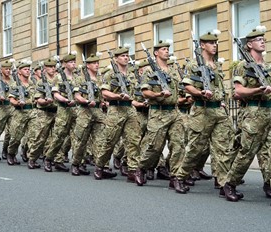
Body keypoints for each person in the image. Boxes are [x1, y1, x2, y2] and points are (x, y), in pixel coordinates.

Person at [172, 30, 237, 194]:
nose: (214, 45)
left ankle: (224, 184)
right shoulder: (194, 65)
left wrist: (222, 101)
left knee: (222, 148)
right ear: (202, 45)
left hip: (218, 112)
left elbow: (221, 88)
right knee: (195, 148)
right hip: (202, 110)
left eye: (215, 43)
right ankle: (179, 178)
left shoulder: (217, 65)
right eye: (210, 43)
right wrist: (200, 93)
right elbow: (186, 85)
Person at [223, 26, 271, 202]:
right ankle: (230, 184)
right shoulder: (243, 66)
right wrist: (258, 90)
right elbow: (238, 92)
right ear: (249, 44)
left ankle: (269, 183)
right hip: (253, 112)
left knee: (269, 151)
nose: (263, 41)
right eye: (259, 40)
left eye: (263, 39)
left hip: (268, 110)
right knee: (247, 151)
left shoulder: (267, 66)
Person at [135, 40, 186, 188]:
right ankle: (142, 168)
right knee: (155, 147)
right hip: (158, 113)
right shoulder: (149, 72)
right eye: (163, 49)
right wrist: (158, 95)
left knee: (178, 145)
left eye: (167, 49)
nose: (166, 51)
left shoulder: (173, 71)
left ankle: (175, 177)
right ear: (156, 53)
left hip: (174, 112)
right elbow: (144, 91)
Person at [94, 46, 142, 182]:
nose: (126, 57)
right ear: (116, 59)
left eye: (127, 55)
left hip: (130, 109)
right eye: (122, 56)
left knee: (134, 140)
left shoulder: (131, 75)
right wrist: (118, 96)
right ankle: (100, 166)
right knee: (110, 140)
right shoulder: (110, 74)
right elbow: (104, 93)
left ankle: (133, 170)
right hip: (116, 109)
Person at [70, 53, 106, 176]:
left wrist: (104, 102)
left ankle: (101, 167)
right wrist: (85, 101)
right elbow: (77, 95)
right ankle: (76, 164)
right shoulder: (80, 78)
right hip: (84, 110)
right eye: (94, 63)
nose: (97, 65)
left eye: (97, 63)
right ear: (88, 65)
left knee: (101, 140)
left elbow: (102, 95)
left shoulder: (100, 79)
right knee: (81, 140)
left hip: (97, 111)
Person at [43, 53, 78, 172]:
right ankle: (49, 159)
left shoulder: (78, 77)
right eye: (71, 62)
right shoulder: (58, 77)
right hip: (64, 110)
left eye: (74, 62)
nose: (73, 64)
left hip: (76, 110)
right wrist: (65, 100)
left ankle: (76, 163)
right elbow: (55, 93)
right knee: (59, 136)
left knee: (77, 137)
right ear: (65, 64)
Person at [26, 59, 58, 169]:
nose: (53, 68)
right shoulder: (41, 82)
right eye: (50, 67)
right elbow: (38, 99)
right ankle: (32, 158)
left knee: (56, 137)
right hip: (44, 112)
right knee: (40, 138)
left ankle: (49, 158)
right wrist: (45, 101)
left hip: (57, 112)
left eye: (54, 66)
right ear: (45, 69)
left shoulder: (58, 81)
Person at [6, 60, 37, 166]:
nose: (28, 71)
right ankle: (11, 154)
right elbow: (11, 99)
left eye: (29, 69)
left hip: (32, 112)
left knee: (33, 136)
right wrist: (18, 103)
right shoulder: (15, 85)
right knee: (16, 137)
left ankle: (31, 157)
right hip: (20, 113)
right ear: (19, 71)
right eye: (25, 69)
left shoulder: (33, 84)